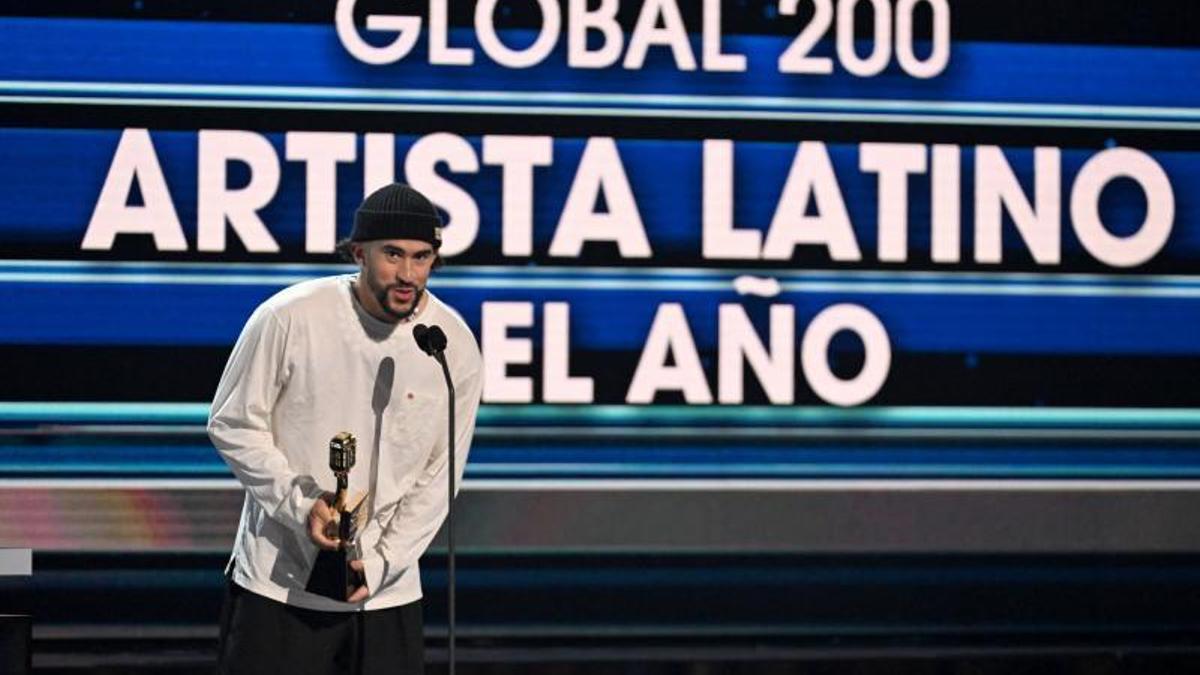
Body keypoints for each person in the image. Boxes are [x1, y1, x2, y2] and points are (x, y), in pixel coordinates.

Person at [208, 183, 482, 674]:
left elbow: (439, 477)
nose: (407, 274)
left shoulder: (450, 345)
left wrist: (379, 563)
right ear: (358, 252)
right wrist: (300, 506)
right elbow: (232, 422)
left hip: (387, 594)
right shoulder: (288, 318)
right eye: (392, 254)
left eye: (422, 258)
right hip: (278, 584)